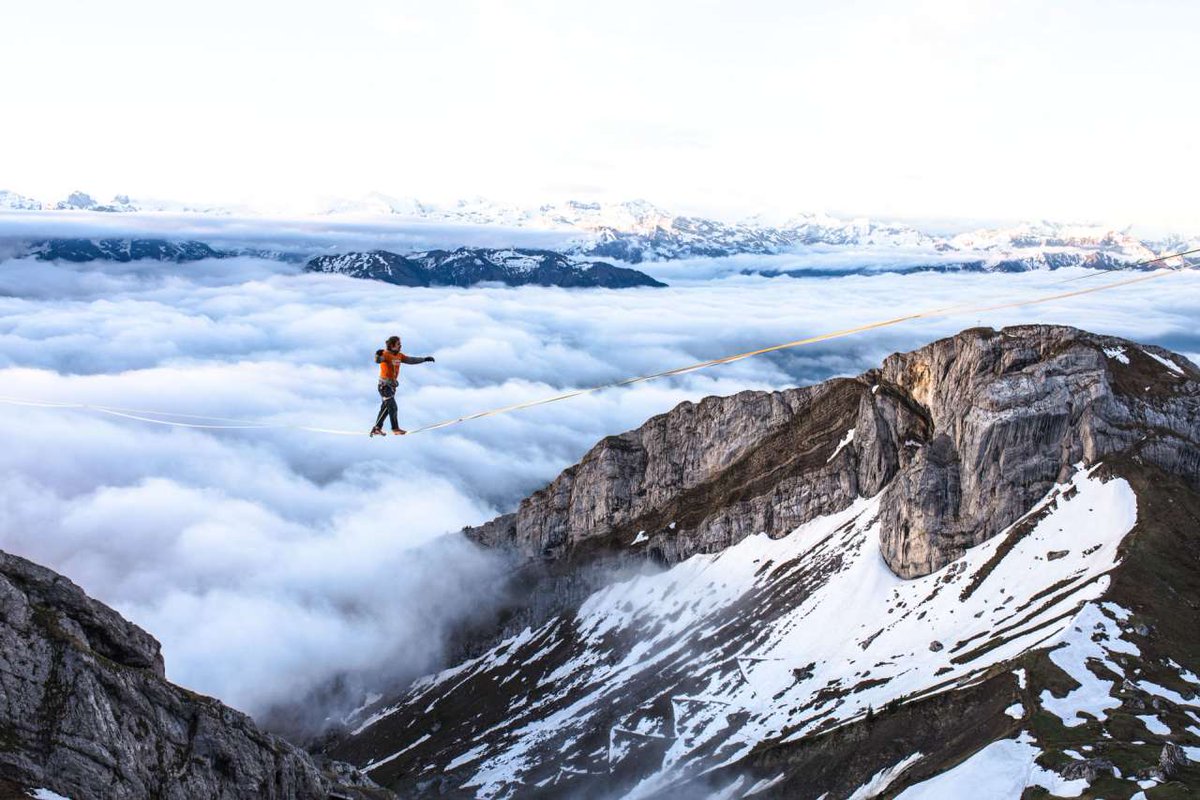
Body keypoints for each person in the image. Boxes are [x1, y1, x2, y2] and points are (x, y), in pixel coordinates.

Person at [370, 335, 435, 436]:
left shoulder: (399, 355)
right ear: (392, 346)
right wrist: (377, 356)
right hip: (384, 386)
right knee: (393, 407)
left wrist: (424, 359)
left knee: (386, 408)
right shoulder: (386, 354)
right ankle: (395, 429)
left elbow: (411, 360)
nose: (400, 346)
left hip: (391, 387)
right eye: (398, 344)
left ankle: (377, 428)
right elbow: (378, 360)